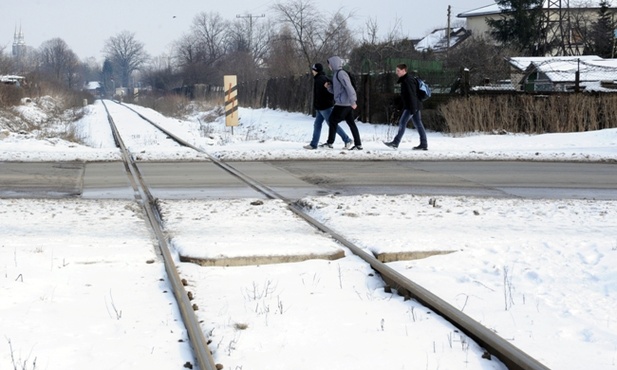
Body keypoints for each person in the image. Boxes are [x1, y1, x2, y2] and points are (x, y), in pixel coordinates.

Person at [304, 63, 353, 150]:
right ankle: (313, 144)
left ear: (316, 70)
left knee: (332, 124)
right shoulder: (321, 78)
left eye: (313, 69)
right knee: (317, 124)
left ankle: (347, 139)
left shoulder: (321, 80)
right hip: (321, 107)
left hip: (324, 107)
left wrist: (323, 103)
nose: (312, 71)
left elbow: (327, 93)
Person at [321, 56, 363, 150]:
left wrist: (353, 101)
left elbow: (349, 87)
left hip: (343, 104)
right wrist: (329, 87)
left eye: (329, 64)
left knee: (332, 120)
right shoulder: (336, 74)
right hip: (344, 103)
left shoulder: (341, 74)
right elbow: (337, 92)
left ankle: (330, 143)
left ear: (334, 63)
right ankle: (358, 144)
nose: (329, 66)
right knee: (351, 123)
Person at [384, 64, 428, 150]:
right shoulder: (407, 80)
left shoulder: (408, 80)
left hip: (411, 106)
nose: (397, 73)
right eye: (396, 71)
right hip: (414, 105)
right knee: (418, 124)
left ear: (404, 70)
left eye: (398, 71)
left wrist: (413, 108)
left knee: (402, 123)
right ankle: (424, 143)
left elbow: (412, 95)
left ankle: (396, 142)